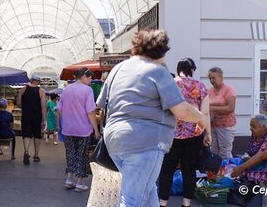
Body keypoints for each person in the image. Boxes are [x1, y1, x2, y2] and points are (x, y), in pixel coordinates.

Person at [97, 29, 210, 207]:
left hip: (114, 140)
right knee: (131, 199)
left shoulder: (118, 69)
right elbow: (182, 111)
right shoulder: (157, 71)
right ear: (160, 52)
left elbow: (102, 103)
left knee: (148, 191)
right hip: (145, 142)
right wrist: (202, 118)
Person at [158, 58, 211, 207]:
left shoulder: (171, 84)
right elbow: (205, 113)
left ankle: (163, 203)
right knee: (189, 169)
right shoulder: (201, 86)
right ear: (192, 69)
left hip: (172, 134)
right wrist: (208, 134)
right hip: (195, 134)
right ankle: (186, 203)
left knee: (167, 169)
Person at [56, 67, 100, 192]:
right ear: (84, 77)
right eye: (90, 78)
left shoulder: (67, 89)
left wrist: (68, 118)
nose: (91, 80)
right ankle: (79, 183)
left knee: (70, 154)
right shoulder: (88, 90)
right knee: (81, 154)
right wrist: (96, 130)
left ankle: (69, 180)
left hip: (68, 128)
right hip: (83, 129)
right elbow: (91, 112)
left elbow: (59, 109)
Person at [17, 75, 47, 165]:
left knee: (26, 134)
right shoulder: (41, 91)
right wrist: (44, 119)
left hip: (26, 115)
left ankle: (26, 151)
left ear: (31, 80)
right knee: (37, 135)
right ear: (38, 82)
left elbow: (18, 103)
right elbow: (43, 106)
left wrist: (25, 107)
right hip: (37, 116)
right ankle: (36, 155)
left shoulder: (23, 89)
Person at [207, 67, 236, 160]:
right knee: (213, 150)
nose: (211, 80)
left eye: (213, 78)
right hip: (212, 125)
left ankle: (228, 172)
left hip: (225, 126)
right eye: (210, 78)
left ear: (220, 77)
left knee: (225, 152)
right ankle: (215, 172)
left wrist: (212, 108)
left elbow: (231, 108)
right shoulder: (209, 91)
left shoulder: (228, 90)